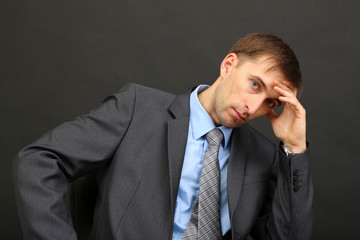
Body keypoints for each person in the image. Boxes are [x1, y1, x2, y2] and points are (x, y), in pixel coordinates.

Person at [13, 33, 313, 240]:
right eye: (255, 85)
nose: (252, 107)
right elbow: (39, 160)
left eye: (271, 102)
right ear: (229, 65)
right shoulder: (138, 108)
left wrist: (295, 149)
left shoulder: (263, 154)